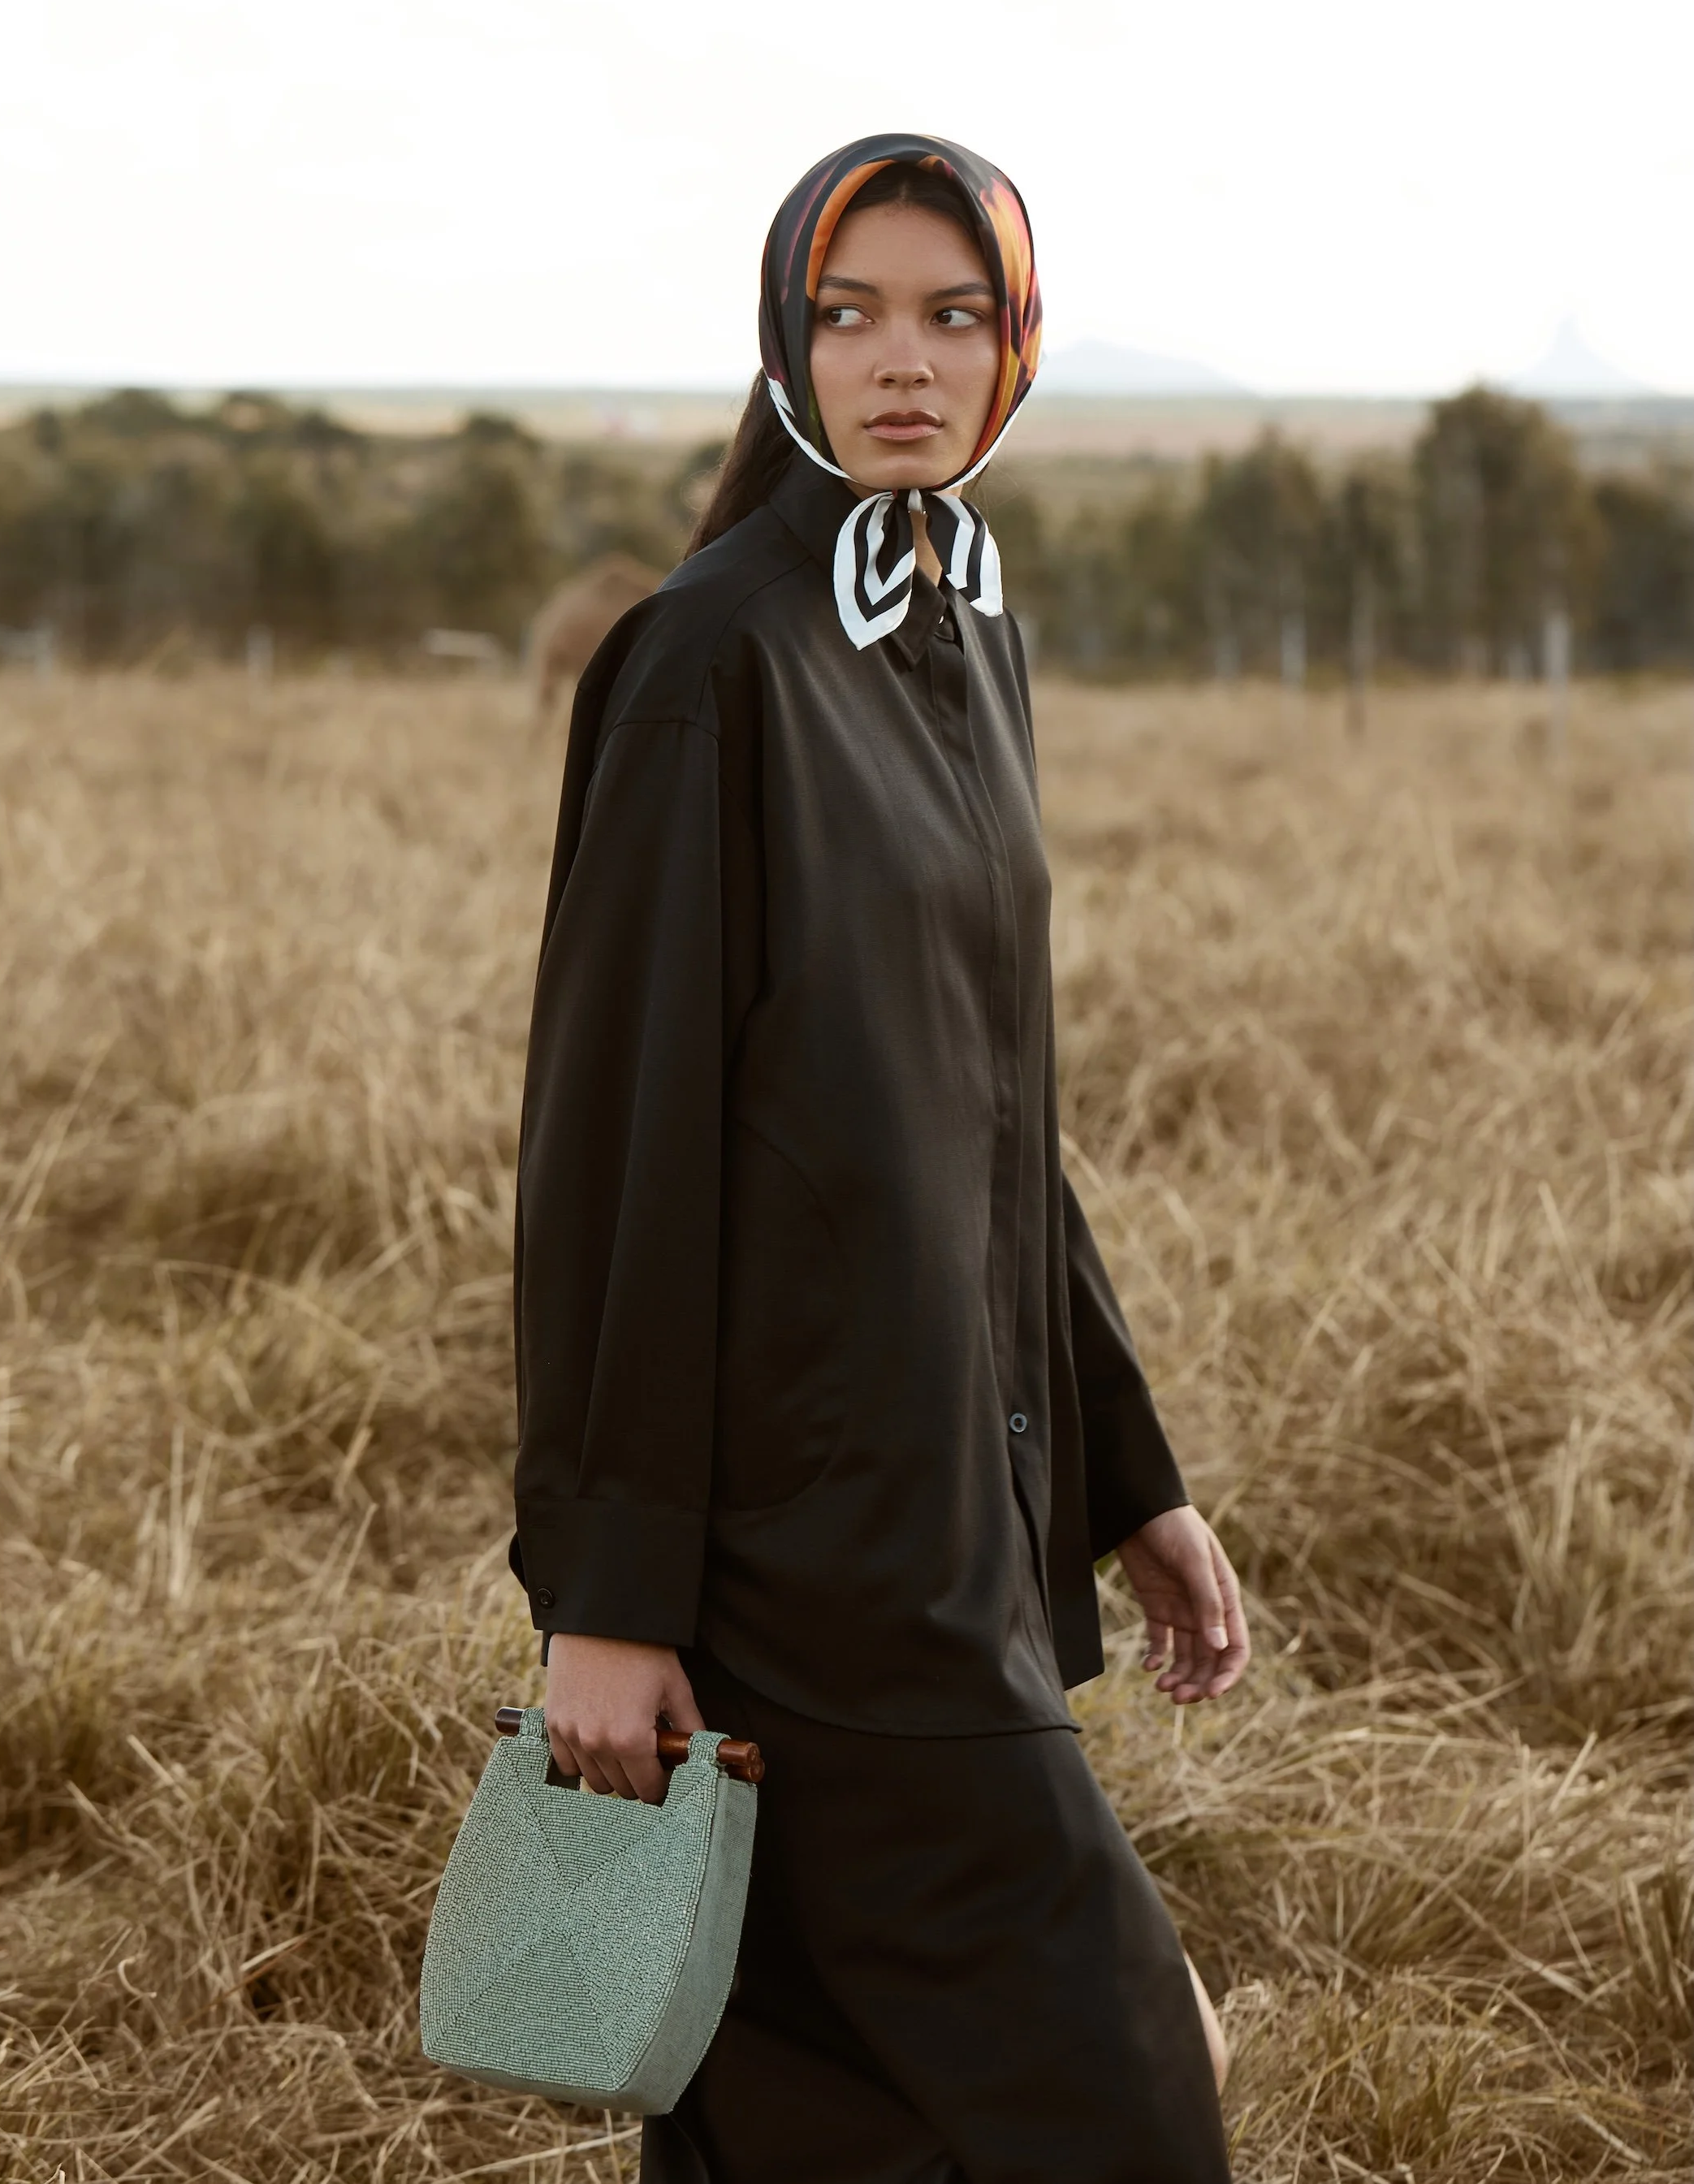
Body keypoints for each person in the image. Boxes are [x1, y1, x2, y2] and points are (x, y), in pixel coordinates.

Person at [509, 133, 1251, 2183]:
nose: (897, 363)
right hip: (816, 1569)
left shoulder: (966, 630)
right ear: (783, 341)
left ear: (1016, 348)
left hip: (969, 1520)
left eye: (952, 315)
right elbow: (614, 1146)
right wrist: (606, 1589)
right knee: (1128, 2097)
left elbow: (992, 1103)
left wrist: (1130, 1472)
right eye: (848, 316)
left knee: (807, 2129)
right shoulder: (707, 660)